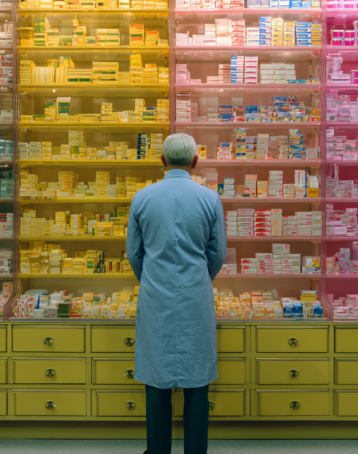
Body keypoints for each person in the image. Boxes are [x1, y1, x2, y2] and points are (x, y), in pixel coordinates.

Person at [126, 132, 227, 454]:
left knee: (157, 377)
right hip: (195, 294)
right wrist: (198, 278)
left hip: (155, 295)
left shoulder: (142, 197)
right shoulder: (209, 198)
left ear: (162, 160)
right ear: (195, 161)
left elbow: (134, 253)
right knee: (197, 379)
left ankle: (158, 451)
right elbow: (217, 253)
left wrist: (153, 280)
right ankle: (195, 450)